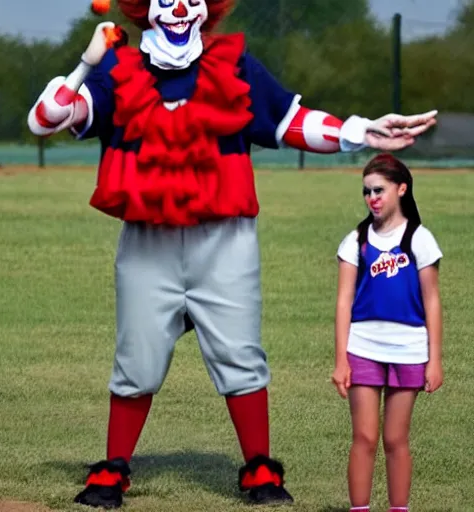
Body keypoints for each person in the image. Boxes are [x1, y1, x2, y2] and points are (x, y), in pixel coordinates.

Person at [27, 0, 438, 508]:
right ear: (143, 8)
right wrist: (88, 63)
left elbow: (289, 121)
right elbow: (45, 120)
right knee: (137, 356)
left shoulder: (236, 65)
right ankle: (113, 467)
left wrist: (359, 131)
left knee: (240, 353)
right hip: (147, 240)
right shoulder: (118, 69)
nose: (179, 7)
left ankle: (258, 467)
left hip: (225, 239)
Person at [332, 153, 444, 512]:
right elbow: (343, 303)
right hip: (363, 347)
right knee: (364, 436)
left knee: (396, 439)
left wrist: (434, 360)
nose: (372, 198)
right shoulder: (355, 241)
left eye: (379, 190)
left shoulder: (420, 239)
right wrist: (340, 360)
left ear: (401, 188)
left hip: (410, 349)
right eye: (366, 192)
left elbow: (432, 302)